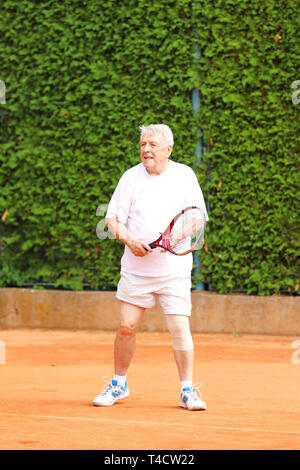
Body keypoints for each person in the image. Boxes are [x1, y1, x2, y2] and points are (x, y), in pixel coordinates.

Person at [93, 124, 209, 410]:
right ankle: (119, 384)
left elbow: (196, 219)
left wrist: (172, 238)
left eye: (153, 144)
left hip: (174, 271)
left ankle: (187, 391)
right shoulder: (130, 178)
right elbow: (112, 220)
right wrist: (131, 241)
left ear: (168, 149)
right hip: (136, 270)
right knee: (126, 327)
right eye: (143, 144)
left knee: (180, 327)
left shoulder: (184, 176)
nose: (146, 149)